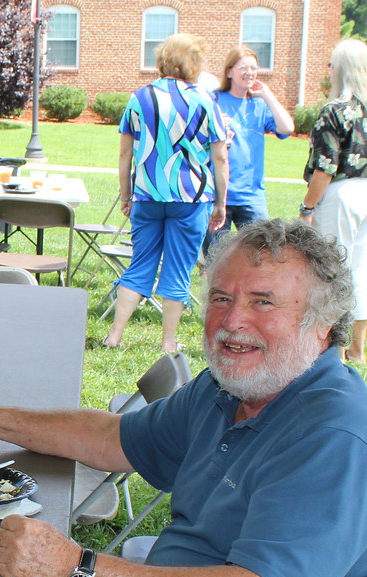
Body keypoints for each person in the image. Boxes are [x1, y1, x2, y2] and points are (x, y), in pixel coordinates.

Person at [0, 219, 367, 577]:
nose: (233, 321)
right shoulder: (227, 389)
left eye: (262, 302)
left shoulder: (332, 434)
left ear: (322, 323)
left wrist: (75, 569)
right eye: (221, 298)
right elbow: (110, 438)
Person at [106, 33, 229, 353]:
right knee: (178, 270)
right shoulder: (205, 101)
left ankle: (114, 335)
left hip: (147, 195)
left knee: (140, 264)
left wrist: (126, 195)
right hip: (191, 199)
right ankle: (168, 342)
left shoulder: (139, 98)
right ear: (193, 63)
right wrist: (221, 202)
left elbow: (125, 154)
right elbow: (220, 157)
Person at [301, 38, 367, 362]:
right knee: (361, 270)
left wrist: (307, 207)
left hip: (342, 193)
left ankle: (336, 351)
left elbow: (325, 167)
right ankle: (357, 348)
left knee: (333, 270)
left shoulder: (335, 110)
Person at [203, 46, 294, 255]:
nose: (249, 72)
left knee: (261, 254)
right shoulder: (214, 100)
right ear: (229, 72)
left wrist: (268, 95)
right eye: (243, 67)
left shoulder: (259, 105)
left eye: (253, 68)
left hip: (252, 196)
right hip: (219, 194)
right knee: (216, 258)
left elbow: (287, 128)